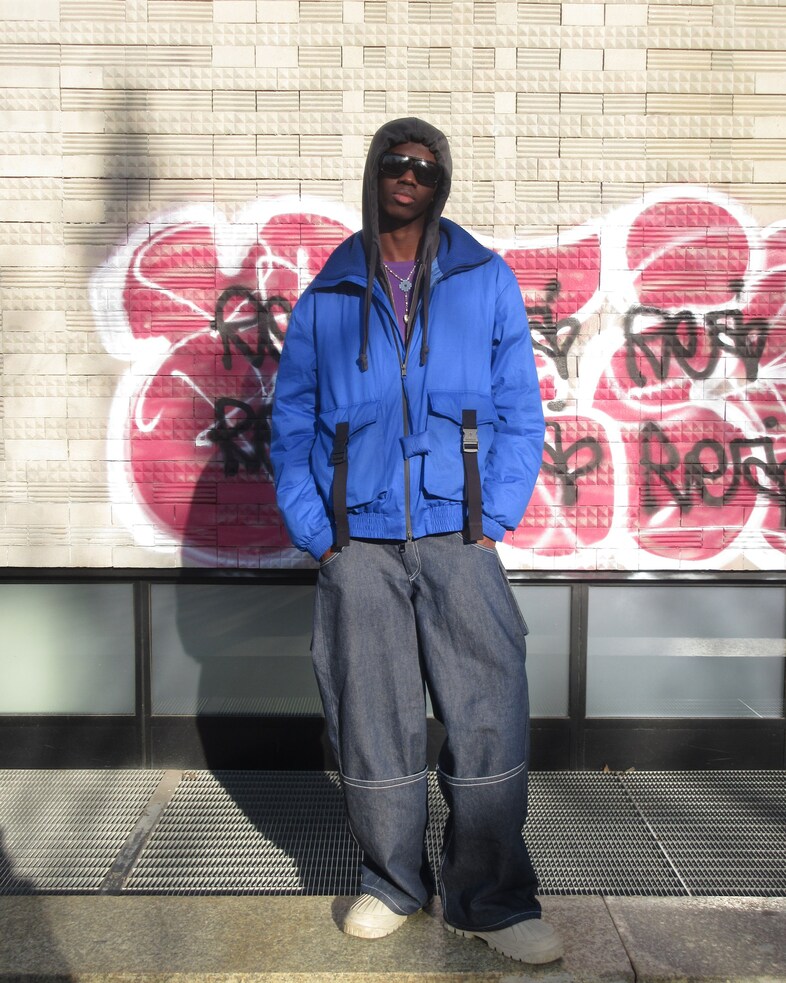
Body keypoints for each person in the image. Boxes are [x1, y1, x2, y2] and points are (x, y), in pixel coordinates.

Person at [271, 118, 562, 965]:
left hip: (456, 534)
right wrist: (320, 533)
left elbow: (520, 408)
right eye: (397, 162)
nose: (410, 174)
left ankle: (492, 899)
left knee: (487, 713)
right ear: (373, 172)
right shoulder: (327, 293)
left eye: (427, 166)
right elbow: (291, 422)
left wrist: (491, 519)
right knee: (372, 715)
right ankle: (393, 881)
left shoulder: (485, 279)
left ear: (444, 183)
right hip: (356, 540)